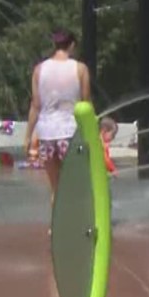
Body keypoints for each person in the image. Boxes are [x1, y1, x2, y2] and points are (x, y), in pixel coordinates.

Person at [23, 30, 90, 196]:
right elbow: (86, 104)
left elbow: (35, 105)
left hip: (47, 134)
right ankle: (77, 220)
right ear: (72, 45)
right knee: (76, 184)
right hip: (72, 133)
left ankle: (56, 221)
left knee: (55, 188)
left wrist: (28, 136)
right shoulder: (80, 69)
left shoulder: (39, 69)